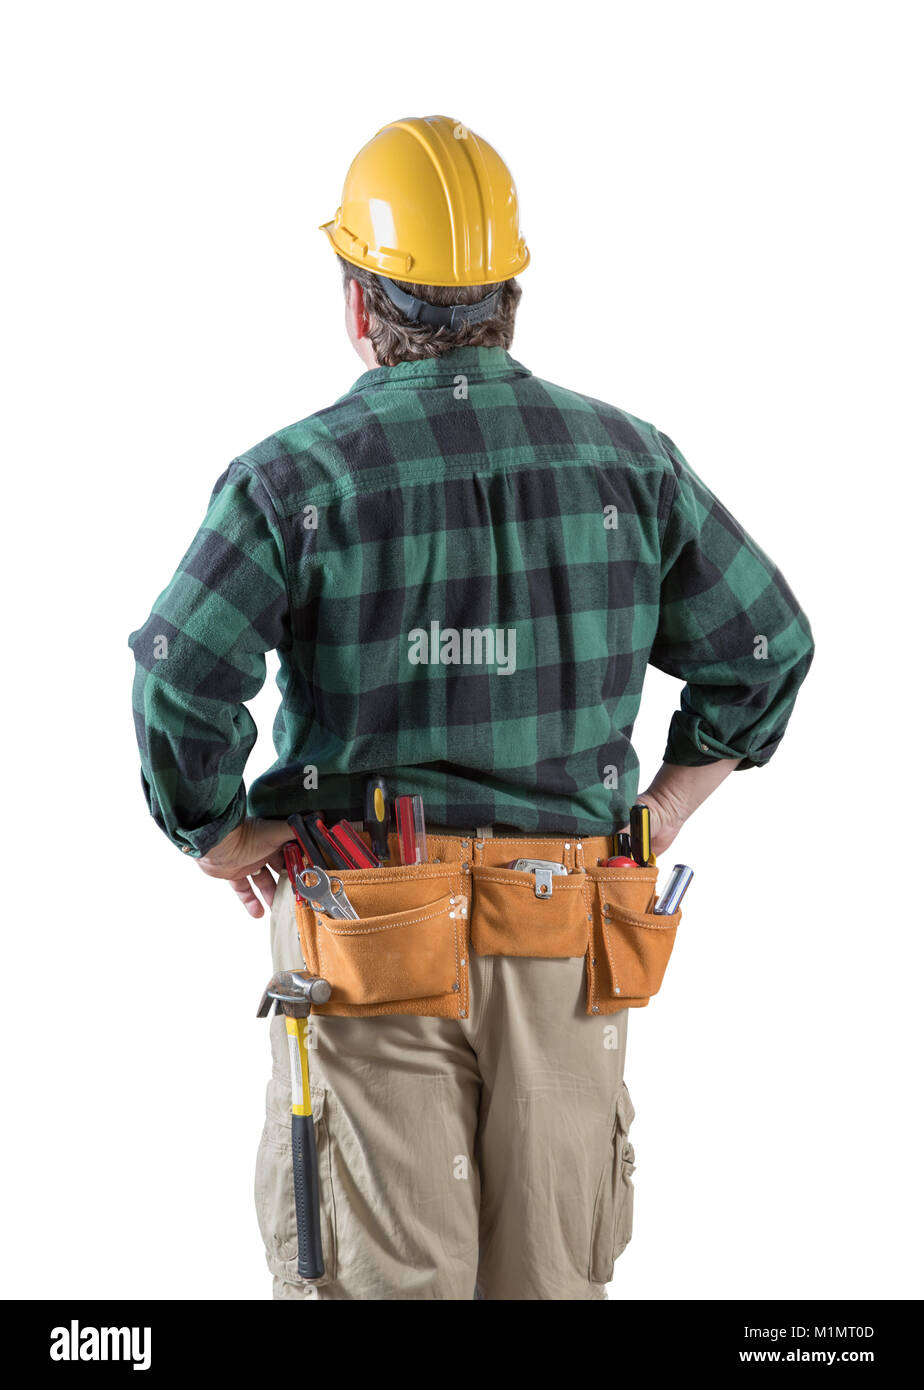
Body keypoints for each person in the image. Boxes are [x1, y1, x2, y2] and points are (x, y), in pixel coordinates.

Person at [128, 115, 814, 1300]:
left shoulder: (293, 481)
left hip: (367, 934)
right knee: (549, 1282)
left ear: (357, 304)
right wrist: (663, 808)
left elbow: (181, 673)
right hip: (569, 935)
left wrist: (218, 830)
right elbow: (769, 649)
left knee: (383, 1284)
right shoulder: (631, 465)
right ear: (512, 295)